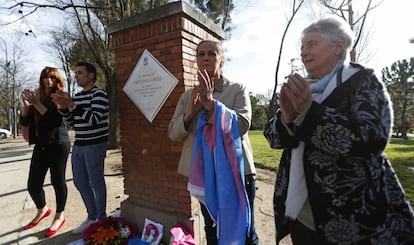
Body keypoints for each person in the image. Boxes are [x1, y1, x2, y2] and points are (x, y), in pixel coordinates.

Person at [263, 16, 414, 244]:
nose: (303, 52)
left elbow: (371, 140)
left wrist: (308, 113)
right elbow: (273, 138)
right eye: (302, 47)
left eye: (311, 44)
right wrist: (286, 118)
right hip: (302, 217)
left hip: (352, 219)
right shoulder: (302, 87)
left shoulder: (364, 82)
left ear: (338, 46)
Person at [168, 40, 258, 245]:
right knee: (212, 228)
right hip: (206, 176)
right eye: (201, 54)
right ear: (197, 61)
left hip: (237, 174)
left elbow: (242, 125)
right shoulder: (188, 97)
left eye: (212, 53)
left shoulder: (237, 90)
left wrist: (211, 106)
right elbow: (173, 133)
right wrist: (191, 113)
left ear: (221, 61)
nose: (206, 58)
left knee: (244, 230)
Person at [51, 61, 109, 234]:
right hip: (79, 145)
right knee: (80, 182)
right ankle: (92, 217)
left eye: (80, 73)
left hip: (95, 145)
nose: (76, 75)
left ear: (91, 75)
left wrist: (71, 105)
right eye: (76, 73)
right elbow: (72, 122)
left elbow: (94, 119)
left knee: (96, 181)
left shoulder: (99, 94)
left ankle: (101, 218)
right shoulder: (76, 96)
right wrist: (63, 107)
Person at [20, 67, 71, 238]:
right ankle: (43, 209)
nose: (48, 80)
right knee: (33, 184)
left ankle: (59, 215)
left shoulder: (61, 96)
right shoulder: (38, 97)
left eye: (52, 77)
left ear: (57, 80)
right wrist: (26, 104)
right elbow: (25, 120)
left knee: (57, 180)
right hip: (41, 144)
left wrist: (36, 103)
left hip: (58, 143)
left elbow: (55, 120)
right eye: (45, 77)